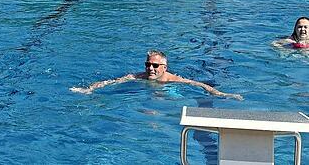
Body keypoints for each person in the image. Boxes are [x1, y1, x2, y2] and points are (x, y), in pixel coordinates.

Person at [70, 50, 242, 99]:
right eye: (147, 64)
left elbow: (200, 85)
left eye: (155, 65)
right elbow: (111, 82)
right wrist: (90, 89)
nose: (150, 68)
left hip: (168, 90)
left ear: (164, 67)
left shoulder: (173, 79)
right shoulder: (139, 77)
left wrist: (222, 94)